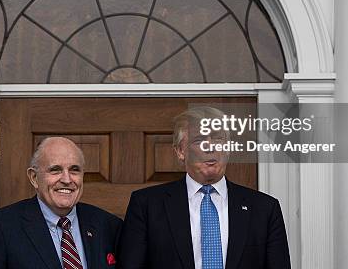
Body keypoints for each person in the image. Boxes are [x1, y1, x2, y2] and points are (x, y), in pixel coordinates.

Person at [117, 107, 291, 269]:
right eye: (199, 140)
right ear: (180, 151)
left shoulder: (264, 208)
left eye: (218, 139)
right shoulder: (147, 205)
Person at [0, 137, 122, 269]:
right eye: (55, 170)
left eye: (74, 170)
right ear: (34, 178)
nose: (67, 179)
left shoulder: (108, 226)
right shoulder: (0, 227)